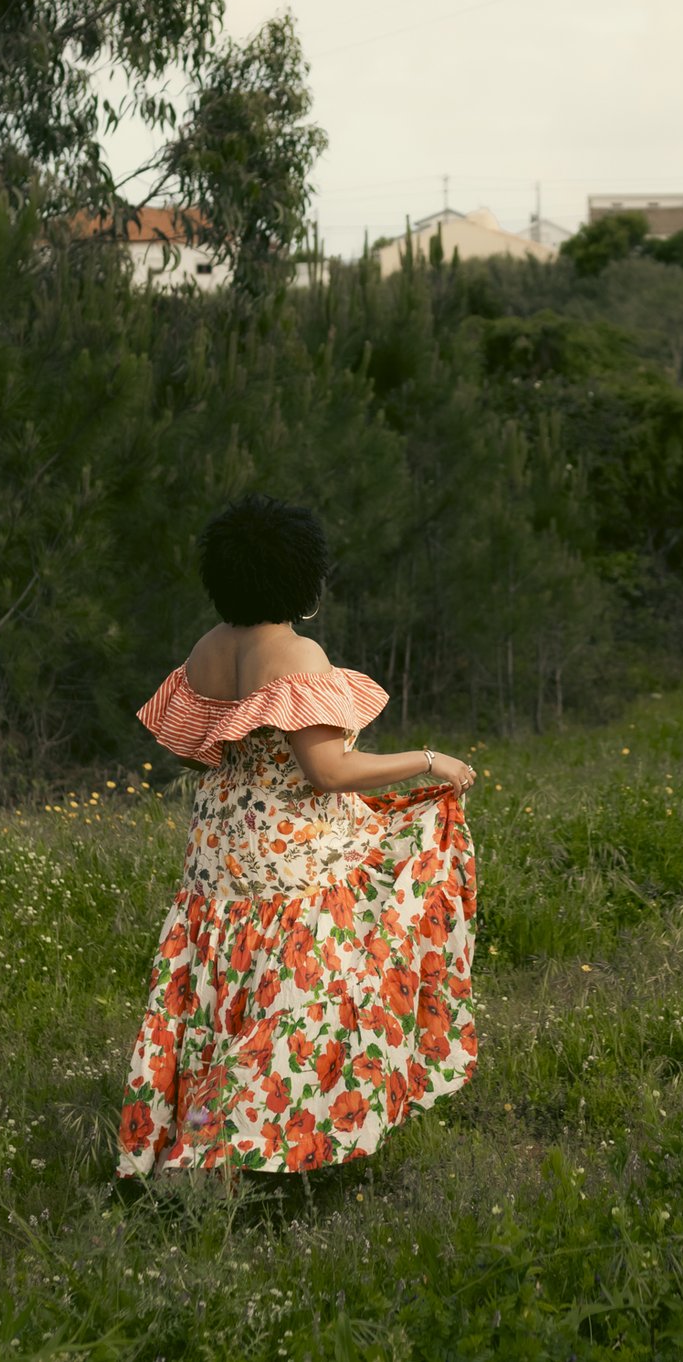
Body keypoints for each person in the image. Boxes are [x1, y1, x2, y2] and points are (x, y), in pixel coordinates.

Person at [116, 494, 480, 1177]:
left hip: (219, 858)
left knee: (224, 1001)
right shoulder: (296, 653)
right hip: (291, 861)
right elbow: (328, 769)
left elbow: (192, 748)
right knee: (321, 987)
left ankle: (196, 1140)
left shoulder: (207, 648)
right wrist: (432, 761)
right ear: (300, 575)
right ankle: (232, 1145)